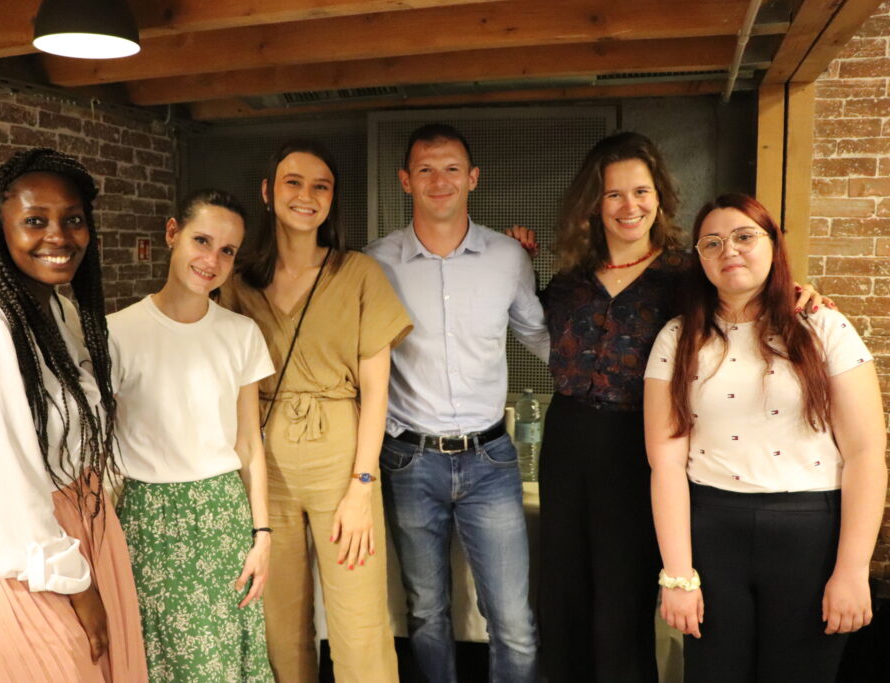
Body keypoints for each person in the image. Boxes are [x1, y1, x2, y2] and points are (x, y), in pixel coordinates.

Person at [528, 132, 830, 682]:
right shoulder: (568, 279)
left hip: (643, 446)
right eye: (614, 194)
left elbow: (748, 292)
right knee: (561, 592)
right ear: (594, 205)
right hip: (568, 439)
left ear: (660, 198)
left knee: (622, 599)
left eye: (640, 192)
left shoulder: (684, 277)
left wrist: (800, 292)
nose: (629, 206)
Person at [0, 148, 147, 681]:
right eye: (35, 221)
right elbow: (3, 480)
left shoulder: (57, 308)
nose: (59, 236)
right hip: (16, 553)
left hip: (72, 528)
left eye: (73, 220)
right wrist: (76, 582)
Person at [644, 193, 887, 682]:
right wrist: (678, 577)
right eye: (711, 243)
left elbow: (866, 453)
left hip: (810, 533)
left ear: (774, 245)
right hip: (711, 532)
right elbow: (666, 463)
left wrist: (852, 570)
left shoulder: (822, 326)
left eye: (744, 236)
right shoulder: (678, 337)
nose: (728, 250)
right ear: (700, 260)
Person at [220, 140, 412, 683]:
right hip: (264, 462)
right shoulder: (239, 283)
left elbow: (377, 390)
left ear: (333, 199)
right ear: (267, 192)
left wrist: (362, 483)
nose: (306, 196)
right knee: (278, 620)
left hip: (341, 460)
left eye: (320, 186)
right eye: (293, 182)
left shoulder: (358, 275)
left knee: (359, 623)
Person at [366, 123, 549, 683]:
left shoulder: (506, 257)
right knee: (425, 614)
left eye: (451, 169)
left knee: (513, 622)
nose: (438, 181)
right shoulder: (374, 264)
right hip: (407, 460)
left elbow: (542, 337)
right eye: (425, 169)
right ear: (405, 181)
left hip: (490, 460)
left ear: (473, 178)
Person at [109, 189, 275, 681]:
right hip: (146, 521)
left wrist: (262, 534)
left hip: (222, 515)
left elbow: (250, 444)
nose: (212, 259)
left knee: (222, 661)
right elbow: (96, 449)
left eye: (227, 250)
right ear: (171, 234)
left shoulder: (241, 333)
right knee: (157, 661)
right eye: (202, 240)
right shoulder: (116, 333)